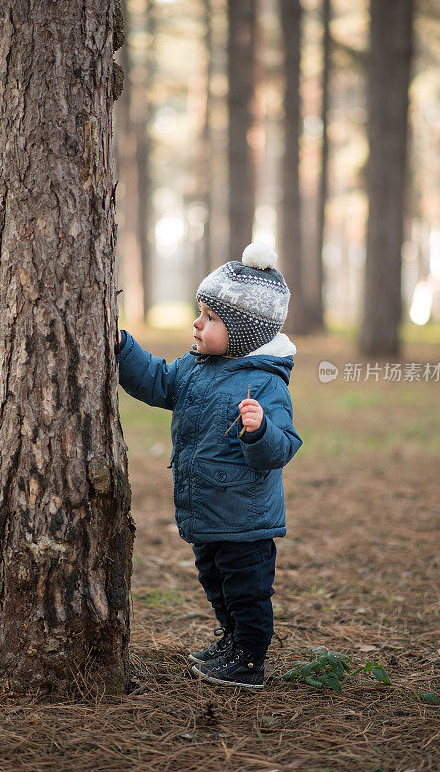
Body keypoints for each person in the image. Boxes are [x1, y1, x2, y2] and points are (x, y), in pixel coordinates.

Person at [115, 242, 302, 689]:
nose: (197, 324)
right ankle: (230, 640)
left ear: (241, 332)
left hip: (246, 521)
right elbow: (156, 381)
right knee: (215, 584)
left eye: (210, 317)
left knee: (247, 592)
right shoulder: (195, 367)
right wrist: (123, 348)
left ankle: (250, 660)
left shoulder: (265, 383)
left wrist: (259, 431)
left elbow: (283, 448)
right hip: (206, 513)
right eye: (200, 312)